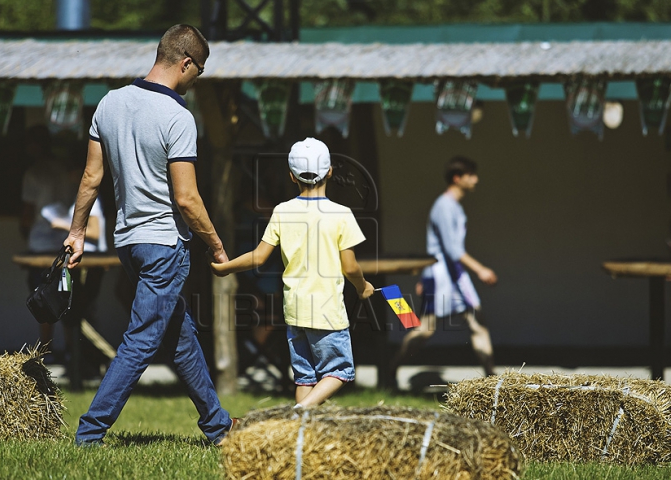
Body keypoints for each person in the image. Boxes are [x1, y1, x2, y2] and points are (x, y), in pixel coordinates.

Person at [63, 24, 237, 447]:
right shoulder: (177, 117)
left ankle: (217, 426)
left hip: (128, 242)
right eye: (199, 72)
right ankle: (89, 434)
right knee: (141, 340)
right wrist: (216, 247)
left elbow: (91, 176)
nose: (196, 81)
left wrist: (77, 231)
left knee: (178, 333)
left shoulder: (109, 103)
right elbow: (187, 198)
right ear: (186, 63)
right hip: (164, 244)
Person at [210, 138, 374, 408]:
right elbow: (351, 266)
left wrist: (226, 268)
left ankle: (301, 438)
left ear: (291, 176)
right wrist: (362, 286)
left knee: (305, 378)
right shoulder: (341, 214)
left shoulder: (282, 211)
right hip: (327, 312)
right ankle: (299, 412)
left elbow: (259, 256)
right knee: (340, 372)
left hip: (295, 310)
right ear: (330, 171)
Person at [389, 156, 497, 388]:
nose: (476, 180)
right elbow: (451, 249)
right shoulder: (444, 206)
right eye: (471, 175)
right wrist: (481, 270)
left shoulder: (453, 206)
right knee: (425, 330)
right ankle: (391, 369)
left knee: (478, 322)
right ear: (457, 178)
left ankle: (492, 379)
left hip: (454, 276)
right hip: (442, 278)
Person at [19, 125, 78, 358]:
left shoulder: (33, 173)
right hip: (67, 243)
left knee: (42, 297)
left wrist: (26, 235)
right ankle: (73, 349)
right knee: (66, 294)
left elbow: (27, 212)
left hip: (41, 244)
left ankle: (47, 350)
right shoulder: (68, 171)